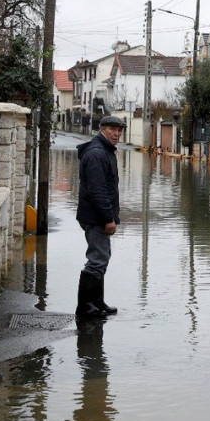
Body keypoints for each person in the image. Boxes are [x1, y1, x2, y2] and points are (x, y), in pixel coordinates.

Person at [75, 115, 126, 318]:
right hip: (96, 216)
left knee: (101, 257)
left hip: (96, 215)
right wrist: (108, 218)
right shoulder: (97, 154)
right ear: (102, 130)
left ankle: (97, 302)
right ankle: (86, 307)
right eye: (112, 129)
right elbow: (98, 191)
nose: (116, 134)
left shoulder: (104, 151)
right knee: (97, 259)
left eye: (119, 130)